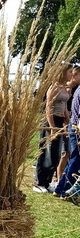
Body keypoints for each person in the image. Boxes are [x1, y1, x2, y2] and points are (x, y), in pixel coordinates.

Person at [34, 63, 72, 192]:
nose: (71, 74)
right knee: (46, 153)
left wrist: (67, 122)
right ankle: (39, 183)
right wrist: (52, 128)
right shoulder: (54, 87)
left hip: (60, 120)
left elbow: (65, 108)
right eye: (69, 72)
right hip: (51, 120)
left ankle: (48, 181)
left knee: (55, 153)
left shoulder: (64, 88)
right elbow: (48, 107)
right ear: (63, 72)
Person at [53, 66, 80, 198]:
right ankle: (66, 191)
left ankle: (59, 189)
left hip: (73, 126)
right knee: (75, 159)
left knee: (73, 159)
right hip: (77, 129)